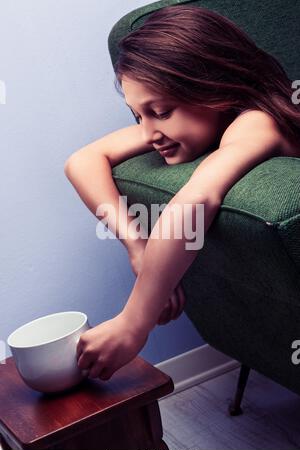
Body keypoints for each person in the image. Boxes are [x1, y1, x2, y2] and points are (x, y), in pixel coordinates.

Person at [64, 5, 300, 381]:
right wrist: (137, 247)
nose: (148, 133)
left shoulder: (255, 123)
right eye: (139, 115)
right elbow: (82, 160)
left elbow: (197, 200)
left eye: (160, 111)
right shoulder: (188, 124)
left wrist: (133, 322)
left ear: (215, 91)